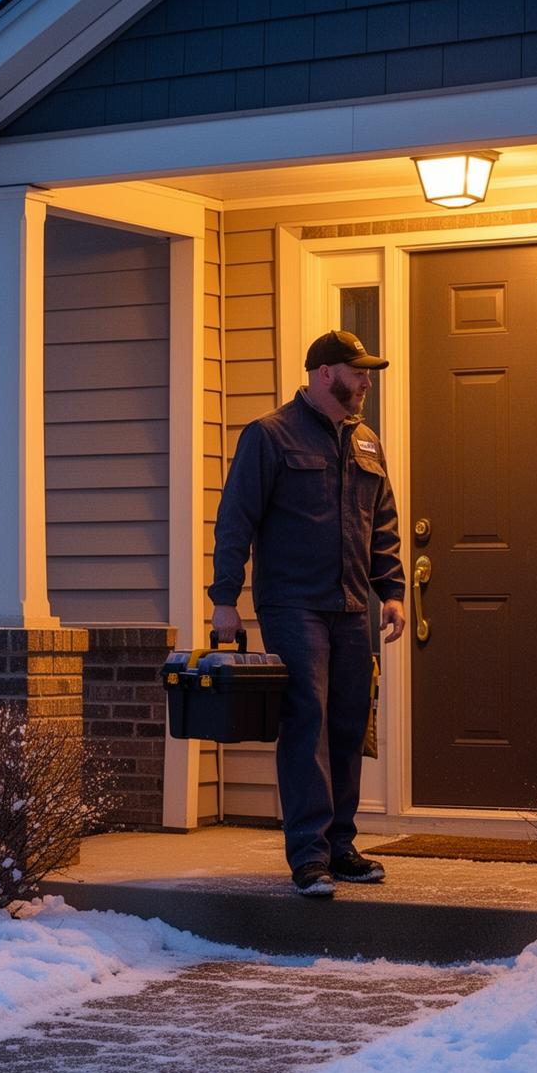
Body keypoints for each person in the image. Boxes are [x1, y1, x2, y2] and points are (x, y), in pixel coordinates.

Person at [209, 329, 407, 898]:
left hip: (351, 605)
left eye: (368, 372)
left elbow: (384, 523)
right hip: (293, 604)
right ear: (326, 374)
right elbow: (235, 521)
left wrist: (390, 590)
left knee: (349, 725)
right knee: (306, 724)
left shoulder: (366, 442)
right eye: (358, 371)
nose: (366, 381)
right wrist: (225, 599)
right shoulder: (269, 436)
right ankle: (309, 855)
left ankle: (342, 846)